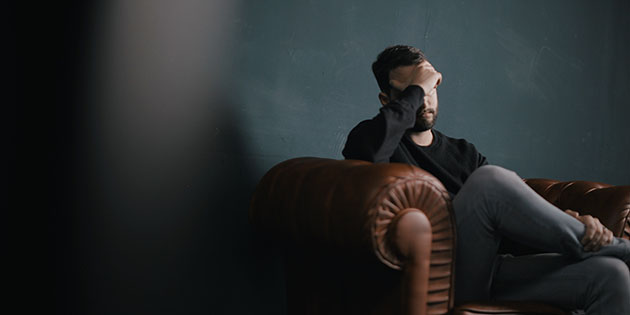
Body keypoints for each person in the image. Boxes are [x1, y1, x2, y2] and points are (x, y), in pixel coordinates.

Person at [342, 45, 630, 314]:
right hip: (436, 278)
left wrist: (566, 222)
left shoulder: (463, 152)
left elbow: (507, 229)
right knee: (489, 181)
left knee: (611, 275)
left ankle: (600, 246)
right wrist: (419, 86)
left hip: (488, 271)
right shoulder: (371, 138)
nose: (425, 99)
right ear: (388, 100)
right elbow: (369, 153)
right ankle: (620, 249)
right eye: (415, 91)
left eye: (432, 87)